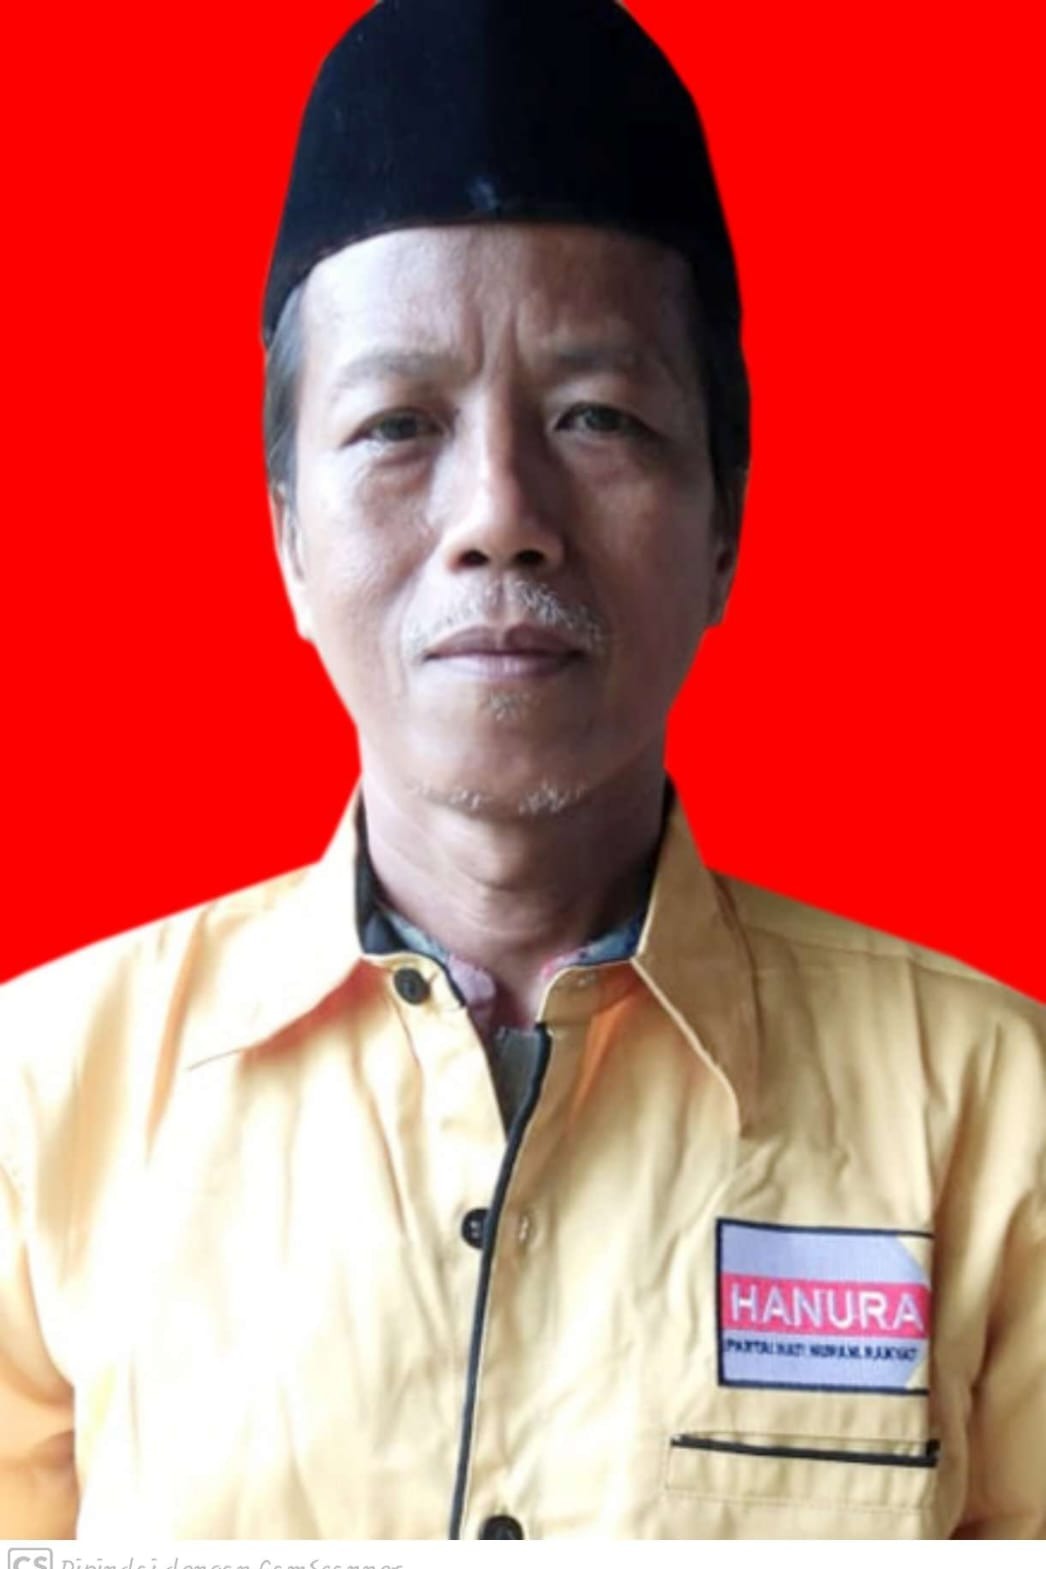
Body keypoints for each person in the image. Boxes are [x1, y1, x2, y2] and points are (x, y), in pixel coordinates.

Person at [1, 0, 1042, 1541]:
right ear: (288, 539)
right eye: (397, 424)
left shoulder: (993, 1118)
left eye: (594, 415)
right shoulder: (40, 1104)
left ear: (723, 524)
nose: (500, 513)